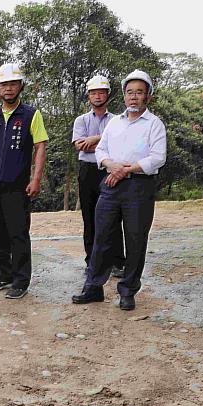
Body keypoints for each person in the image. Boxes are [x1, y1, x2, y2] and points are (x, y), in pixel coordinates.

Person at [72, 70, 166, 311]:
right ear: (124, 96)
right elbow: (101, 150)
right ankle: (93, 287)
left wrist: (127, 170)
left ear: (148, 97)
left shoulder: (154, 125)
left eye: (139, 93)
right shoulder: (115, 123)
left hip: (139, 186)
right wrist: (111, 166)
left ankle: (128, 290)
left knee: (135, 239)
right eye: (129, 92)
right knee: (102, 235)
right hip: (111, 183)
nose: (133, 97)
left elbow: (158, 158)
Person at [0, 63, 48, 300]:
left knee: (18, 232)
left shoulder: (31, 114)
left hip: (17, 184)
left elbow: (40, 147)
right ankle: (4, 274)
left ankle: (21, 280)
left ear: (20, 86)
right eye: (4, 84)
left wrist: (36, 179)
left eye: (12, 84)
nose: (8, 88)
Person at [72, 75, 125, 277]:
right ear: (88, 96)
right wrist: (103, 142)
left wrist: (93, 139)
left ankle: (118, 262)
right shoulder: (81, 120)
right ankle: (91, 262)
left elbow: (118, 144)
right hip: (87, 171)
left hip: (109, 169)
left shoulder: (117, 120)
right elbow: (79, 145)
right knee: (89, 217)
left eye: (101, 92)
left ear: (108, 95)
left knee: (113, 216)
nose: (97, 96)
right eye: (93, 93)